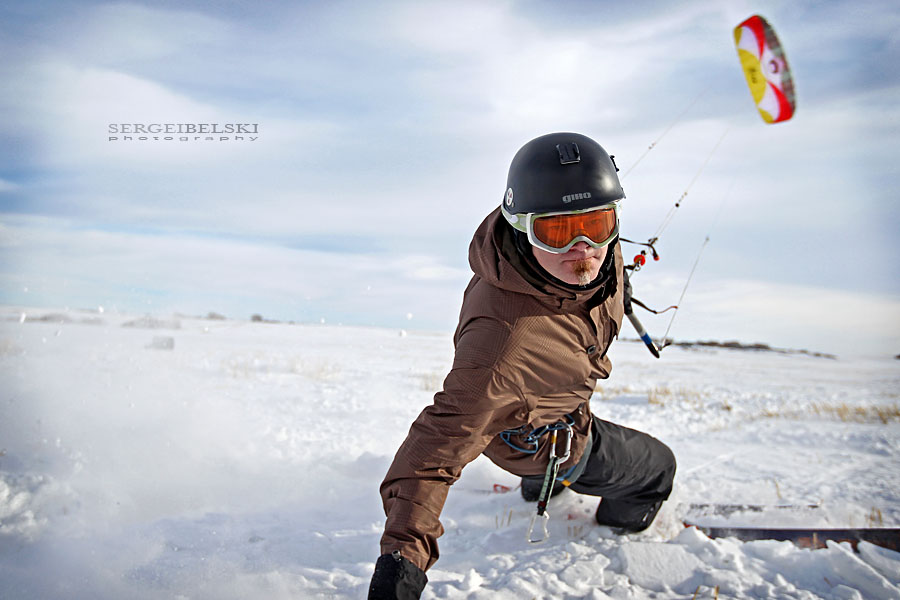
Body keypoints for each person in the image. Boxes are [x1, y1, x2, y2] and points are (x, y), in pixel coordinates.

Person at [367, 132, 676, 599]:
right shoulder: (501, 349)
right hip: (541, 440)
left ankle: (541, 487)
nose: (584, 247)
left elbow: (591, 245)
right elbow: (432, 453)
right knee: (657, 469)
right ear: (522, 227)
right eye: (557, 231)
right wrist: (401, 566)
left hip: (548, 408)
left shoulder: (592, 254)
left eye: (598, 222)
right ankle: (612, 534)